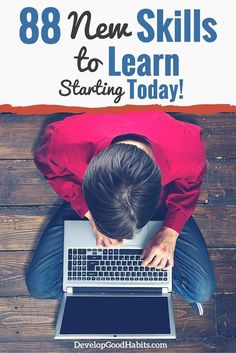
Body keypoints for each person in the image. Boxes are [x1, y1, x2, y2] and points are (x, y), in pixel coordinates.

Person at [26, 110, 216, 314]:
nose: (123, 240)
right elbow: (47, 164)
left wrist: (171, 230)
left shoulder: (187, 154)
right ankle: (131, 284)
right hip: (89, 201)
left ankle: (130, 284)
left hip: (161, 206)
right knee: (40, 287)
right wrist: (89, 212)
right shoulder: (63, 145)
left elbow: (190, 183)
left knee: (202, 291)